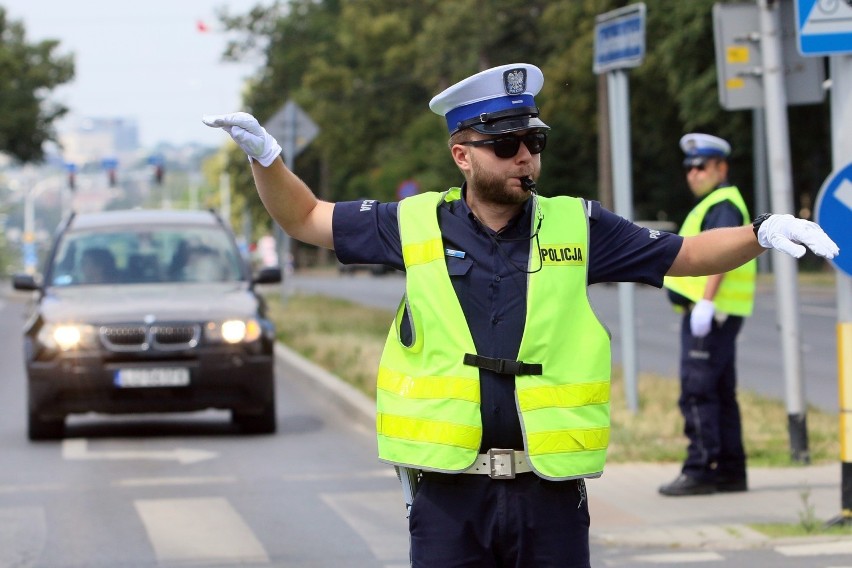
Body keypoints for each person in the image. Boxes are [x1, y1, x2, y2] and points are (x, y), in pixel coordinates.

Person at [203, 63, 838, 568]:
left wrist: (761, 231)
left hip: (550, 493)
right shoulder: (415, 222)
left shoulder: (577, 223)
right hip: (450, 496)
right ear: (462, 155)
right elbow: (306, 218)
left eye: (532, 142)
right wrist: (268, 161)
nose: (524, 158)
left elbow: (684, 252)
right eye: (505, 145)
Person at [658, 133, 754, 497]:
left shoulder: (723, 204)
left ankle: (700, 469)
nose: (693, 173)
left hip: (710, 316)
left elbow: (721, 255)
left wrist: (706, 303)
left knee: (698, 392)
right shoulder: (717, 202)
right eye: (689, 168)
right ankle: (731, 470)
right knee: (720, 392)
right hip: (716, 315)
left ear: (721, 168)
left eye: (701, 166)